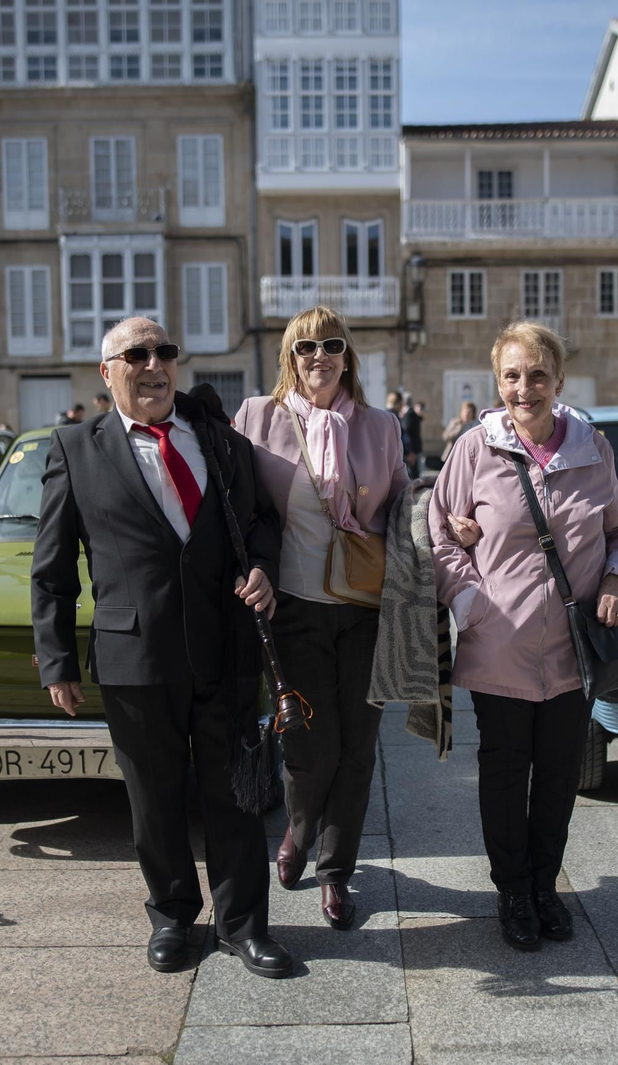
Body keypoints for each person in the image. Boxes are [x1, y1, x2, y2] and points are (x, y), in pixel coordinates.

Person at [31, 316, 292, 980]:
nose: (154, 364)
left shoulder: (220, 440)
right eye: (137, 354)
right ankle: (173, 917)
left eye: (165, 352)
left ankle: (243, 926)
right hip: (134, 658)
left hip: (225, 648)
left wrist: (264, 568)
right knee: (156, 798)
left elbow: (263, 522)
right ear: (107, 370)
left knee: (236, 794)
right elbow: (52, 567)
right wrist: (56, 658)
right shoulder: (74, 448)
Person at [428, 320, 618, 952]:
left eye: (538, 375)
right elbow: (439, 531)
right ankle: (512, 893)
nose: (526, 389)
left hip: (571, 650)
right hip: (500, 644)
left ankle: (545, 887)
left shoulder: (591, 447)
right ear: (498, 383)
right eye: (513, 377)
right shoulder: (475, 449)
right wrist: (471, 602)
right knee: (503, 770)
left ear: (559, 381)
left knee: (556, 774)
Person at [234, 306, 408, 932]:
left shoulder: (380, 426)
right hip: (293, 609)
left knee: (358, 750)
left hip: (363, 610)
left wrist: (452, 527)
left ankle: (335, 873)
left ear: (347, 356)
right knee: (310, 745)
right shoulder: (258, 417)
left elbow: (405, 507)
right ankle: (298, 832)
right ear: (290, 356)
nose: (319, 356)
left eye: (331, 345)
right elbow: (234, 501)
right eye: (305, 346)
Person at [401, 399, 425, 478]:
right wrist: (410, 450)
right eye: (420, 408)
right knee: (413, 471)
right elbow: (407, 433)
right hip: (412, 449)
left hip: (415, 448)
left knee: (415, 471)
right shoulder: (410, 415)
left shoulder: (414, 416)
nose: (421, 410)